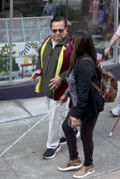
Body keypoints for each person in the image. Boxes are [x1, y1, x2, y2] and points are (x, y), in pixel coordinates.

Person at [58, 30, 104, 178]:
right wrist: (65, 94)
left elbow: (84, 93)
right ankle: (74, 159)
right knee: (66, 126)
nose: (70, 42)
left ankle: (89, 165)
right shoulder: (77, 58)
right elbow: (73, 83)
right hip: (79, 102)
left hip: (88, 104)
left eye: (72, 40)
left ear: (78, 43)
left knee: (85, 134)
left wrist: (76, 116)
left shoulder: (85, 63)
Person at [31, 16, 78, 159]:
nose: (57, 33)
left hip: (61, 91)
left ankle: (53, 145)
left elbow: (75, 67)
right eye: (54, 30)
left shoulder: (72, 46)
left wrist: (61, 78)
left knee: (54, 118)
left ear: (66, 29)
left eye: (60, 30)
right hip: (47, 87)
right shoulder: (47, 41)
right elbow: (40, 57)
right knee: (60, 114)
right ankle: (72, 131)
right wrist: (39, 69)